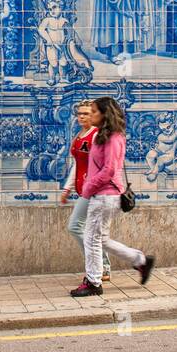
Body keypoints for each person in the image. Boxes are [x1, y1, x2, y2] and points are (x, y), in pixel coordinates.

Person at [71, 96, 156, 297]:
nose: (90, 115)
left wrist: (88, 187)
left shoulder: (114, 138)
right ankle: (141, 261)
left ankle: (93, 282)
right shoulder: (102, 135)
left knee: (91, 239)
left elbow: (109, 170)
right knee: (101, 239)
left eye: (93, 112)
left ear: (104, 114)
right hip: (101, 195)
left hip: (104, 196)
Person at [59, 101, 110, 282]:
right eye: (79, 113)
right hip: (83, 190)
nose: (82, 116)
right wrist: (67, 188)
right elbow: (77, 164)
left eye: (86, 114)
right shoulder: (80, 136)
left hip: (93, 191)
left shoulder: (96, 136)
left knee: (75, 227)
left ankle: (101, 266)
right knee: (93, 232)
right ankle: (102, 266)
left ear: (94, 116)